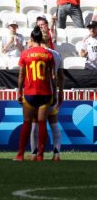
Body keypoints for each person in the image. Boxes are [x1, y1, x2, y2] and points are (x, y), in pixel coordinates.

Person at [15, 26, 57, 162]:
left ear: (32, 39)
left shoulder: (25, 54)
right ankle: (40, 155)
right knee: (42, 123)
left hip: (30, 93)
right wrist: (55, 93)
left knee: (27, 123)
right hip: (45, 93)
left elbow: (21, 75)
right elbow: (53, 76)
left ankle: (20, 154)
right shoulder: (48, 54)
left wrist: (19, 91)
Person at [30, 33, 64, 161]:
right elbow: (60, 77)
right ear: (50, 41)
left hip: (37, 94)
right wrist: (60, 93)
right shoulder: (56, 55)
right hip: (51, 93)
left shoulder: (33, 54)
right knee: (54, 124)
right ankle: (56, 154)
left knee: (35, 125)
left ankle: (34, 153)